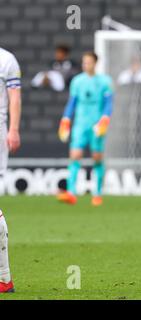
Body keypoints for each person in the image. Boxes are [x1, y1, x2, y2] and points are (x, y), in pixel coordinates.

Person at [57, 52, 114, 206]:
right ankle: (71, 192)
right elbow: (72, 102)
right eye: (84, 62)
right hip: (80, 124)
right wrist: (66, 119)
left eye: (88, 62)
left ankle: (97, 194)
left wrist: (104, 120)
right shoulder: (77, 81)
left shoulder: (105, 81)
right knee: (75, 155)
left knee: (97, 157)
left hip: (96, 125)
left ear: (95, 63)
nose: (85, 65)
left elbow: (109, 104)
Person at [0, 47, 22, 293]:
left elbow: (14, 96)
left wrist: (13, 129)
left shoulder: (6, 60)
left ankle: (4, 277)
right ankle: (4, 279)